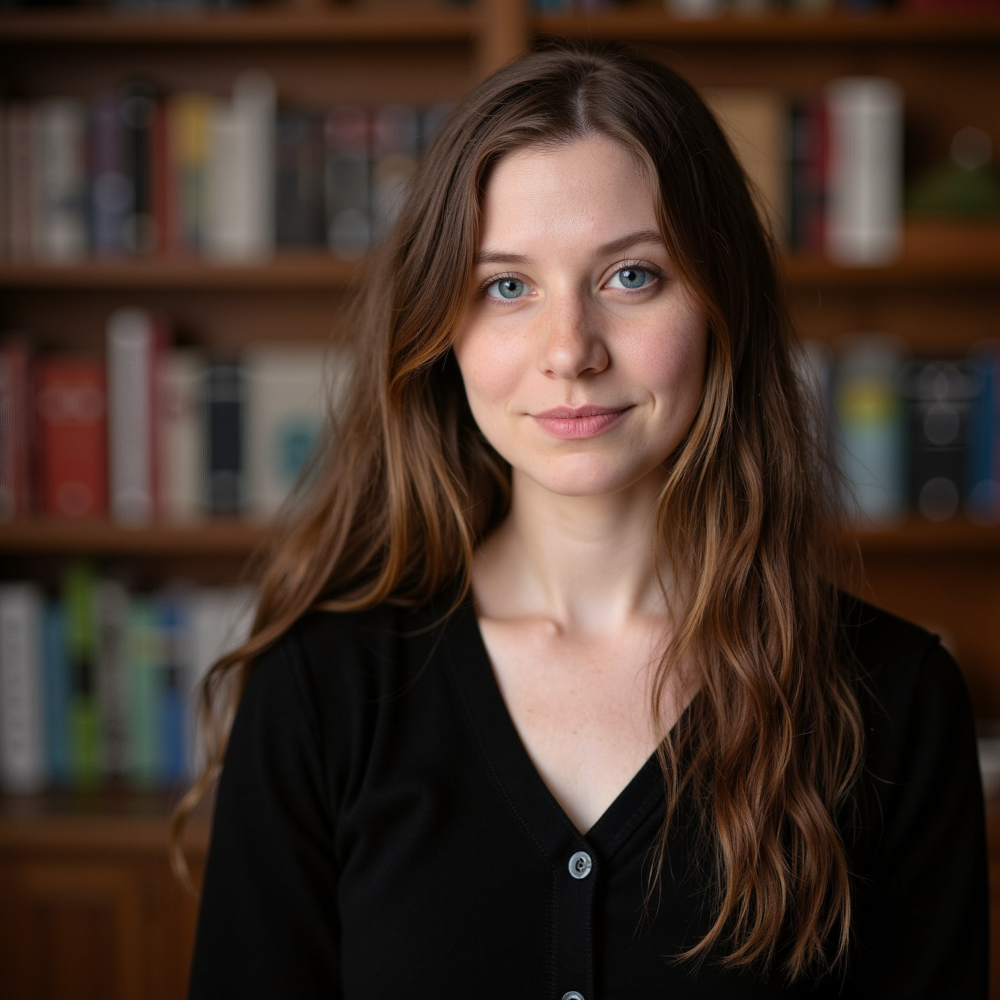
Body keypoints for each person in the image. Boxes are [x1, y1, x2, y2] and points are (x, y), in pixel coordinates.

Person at [182, 45, 988, 999]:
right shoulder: (319, 691)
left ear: (721, 303)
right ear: (441, 330)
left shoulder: (894, 699)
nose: (570, 351)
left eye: (632, 277)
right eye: (507, 286)